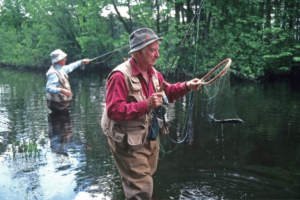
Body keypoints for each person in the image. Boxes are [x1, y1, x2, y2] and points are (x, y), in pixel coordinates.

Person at [101, 28, 201, 200]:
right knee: (141, 189)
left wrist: (187, 86)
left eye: (158, 50)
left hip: (148, 135)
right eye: (153, 50)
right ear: (139, 52)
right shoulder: (119, 76)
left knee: (145, 179)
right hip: (127, 141)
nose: (158, 55)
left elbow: (168, 92)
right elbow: (113, 110)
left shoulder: (154, 73)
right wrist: (146, 105)